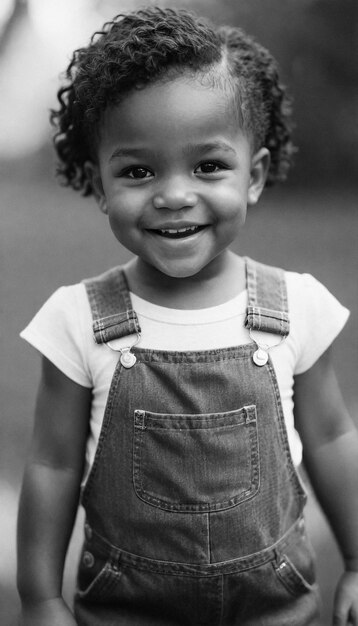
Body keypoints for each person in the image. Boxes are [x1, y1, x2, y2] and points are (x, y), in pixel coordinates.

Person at [16, 6, 358, 626]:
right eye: (139, 171)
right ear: (100, 184)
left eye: (208, 166)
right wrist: (40, 598)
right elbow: (52, 464)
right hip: (124, 611)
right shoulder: (77, 320)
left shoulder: (296, 308)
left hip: (277, 609)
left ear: (252, 177)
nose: (174, 194)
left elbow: (333, 436)